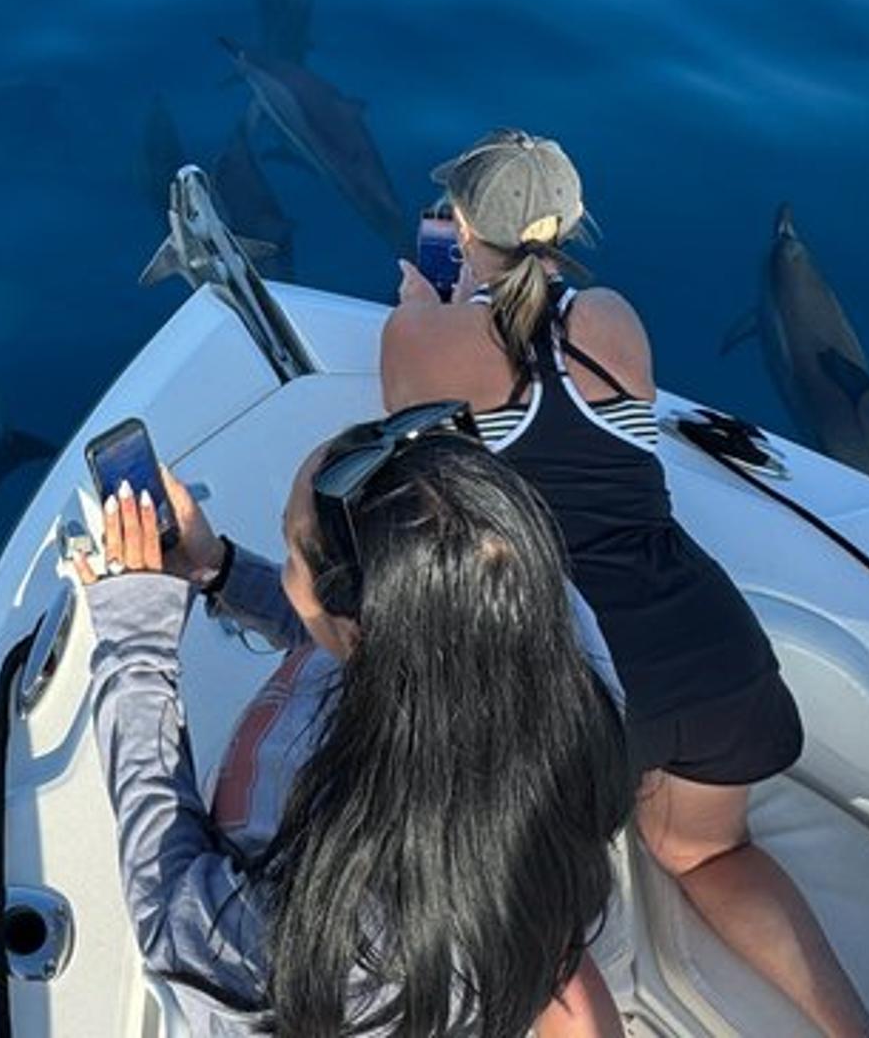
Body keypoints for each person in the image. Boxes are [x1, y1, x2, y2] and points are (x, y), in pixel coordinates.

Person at [383, 128, 869, 1037]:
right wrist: (467, 306)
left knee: (526, 933)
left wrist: (430, 310)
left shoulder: (419, 334)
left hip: (579, 678)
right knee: (709, 852)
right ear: (568, 226)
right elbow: (536, 353)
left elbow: (413, 484)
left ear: (457, 222)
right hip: (709, 647)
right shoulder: (612, 316)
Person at [69, 408, 633, 1038]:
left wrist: (135, 640)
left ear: (359, 627)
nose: (284, 563)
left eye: (289, 552)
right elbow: (356, 641)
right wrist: (218, 567)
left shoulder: (349, 935)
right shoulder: (542, 617)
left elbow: (171, 911)